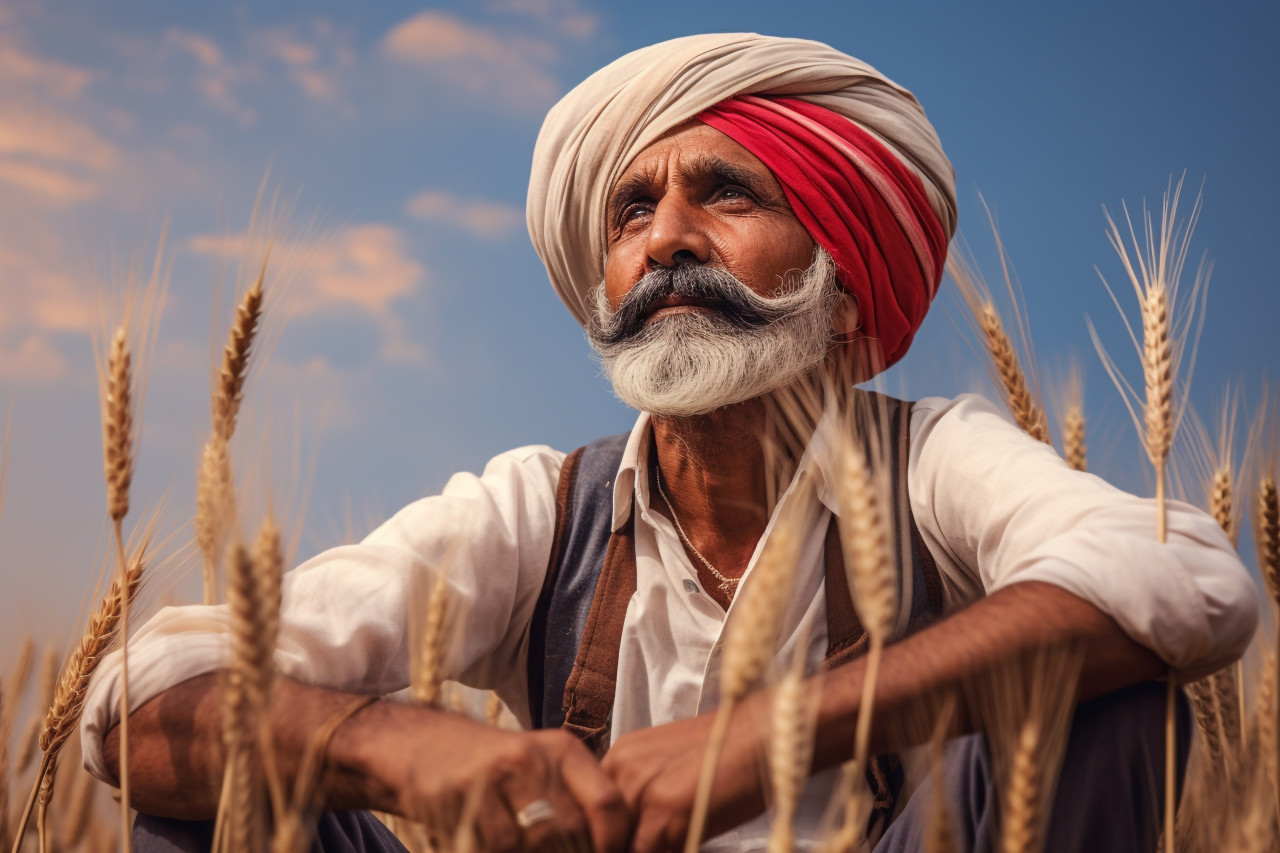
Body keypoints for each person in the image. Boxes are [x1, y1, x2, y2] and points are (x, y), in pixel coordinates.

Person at [81, 33, 1257, 853]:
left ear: (844, 295)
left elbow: (1185, 578)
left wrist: (758, 740)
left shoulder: (933, 459)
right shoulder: (534, 512)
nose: (665, 239)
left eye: (726, 196)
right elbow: (136, 699)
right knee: (218, 789)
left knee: (1111, 700)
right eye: (631, 210)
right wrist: (398, 747)